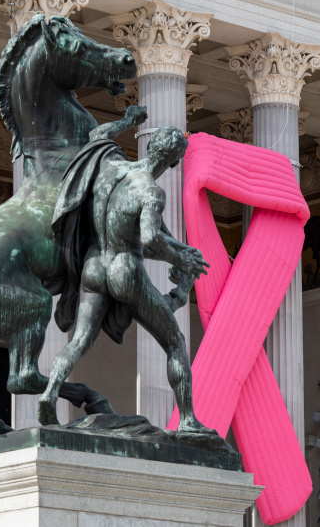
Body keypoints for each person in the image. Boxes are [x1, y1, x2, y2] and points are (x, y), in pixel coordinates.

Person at [39, 125, 213, 434]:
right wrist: (180, 258)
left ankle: (50, 392)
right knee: (175, 341)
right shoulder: (151, 191)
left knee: (80, 341)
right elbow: (148, 239)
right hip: (124, 270)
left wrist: (126, 122)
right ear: (173, 162)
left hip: (93, 266)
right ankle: (187, 420)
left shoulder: (111, 167)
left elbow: (96, 136)